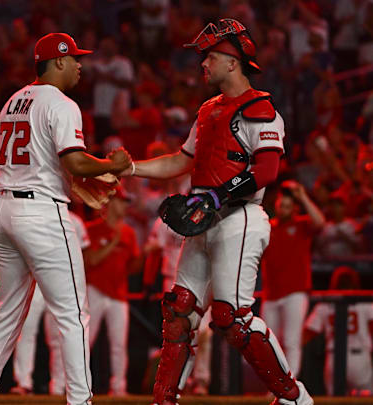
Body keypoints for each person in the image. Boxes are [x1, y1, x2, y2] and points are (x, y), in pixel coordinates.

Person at [119, 18, 312, 405]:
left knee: (231, 317)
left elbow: (267, 171)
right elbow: (180, 161)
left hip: (239, 218)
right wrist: (130, 168)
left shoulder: (261, 109)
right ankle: (164, 401)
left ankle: (293, 398)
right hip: (203, 217)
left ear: (231, 60)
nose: (202, 65)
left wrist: (216, 197)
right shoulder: (208, 110)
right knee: (180, 313)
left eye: (208, 56)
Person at [0, 33, 132, 405]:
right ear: (58, 62)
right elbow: (73, 160)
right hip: (39, 212)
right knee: (73, 313)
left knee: (6, 313)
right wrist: (111, 164)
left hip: (1, 207)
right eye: (74, 59)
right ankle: (80, 400)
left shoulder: (12, 101)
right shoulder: (62, 103)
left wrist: (76, 178)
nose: (80, 65)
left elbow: (47, 161)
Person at [11, 210, 89, 396]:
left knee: (59, 336)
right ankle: (24, 383)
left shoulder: (75, 220)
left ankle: (60, 386)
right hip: (34, 281)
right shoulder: (31, 213)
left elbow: (83, 255)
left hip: (61, 283)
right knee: (25, 331)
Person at [84, 187, 150, 396]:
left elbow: (133, 268)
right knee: (85, 341)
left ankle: (119, 388)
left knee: (119, 344)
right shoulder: (92, 229)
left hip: (119, 293)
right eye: (122, 201)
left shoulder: (129, 233)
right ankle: (77, 385)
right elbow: (91, 260)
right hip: (93, 290)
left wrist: (145, 254)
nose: (125, 206)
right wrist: (113, 242)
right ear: (110, 203)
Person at [260, 180, 325, 378]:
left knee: (291, 340)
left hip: (295, 292)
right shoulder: (267, 226)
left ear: (295, 208)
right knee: (267, 340)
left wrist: (303, 196)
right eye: (281, 205)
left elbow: (320, 222)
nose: (284, 208)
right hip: (271, 293)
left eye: (288, 206)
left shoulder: (301, 224)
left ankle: (290, 382)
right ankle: (274, 382)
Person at [303, 266, 373, 396]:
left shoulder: (325, 303)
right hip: (359, 359)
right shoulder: (364, 301)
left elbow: (307, 334)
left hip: (333, 359)